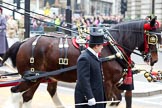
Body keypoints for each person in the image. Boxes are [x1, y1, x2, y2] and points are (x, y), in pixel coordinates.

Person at [75, 32, 106, 108]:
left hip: (97, 97)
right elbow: (83, 80)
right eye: (101, 45)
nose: (102, 47)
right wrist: (89, 97)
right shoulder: (84, 58)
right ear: (96, 46)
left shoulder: (93, 56)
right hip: (88, 100)